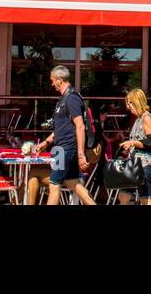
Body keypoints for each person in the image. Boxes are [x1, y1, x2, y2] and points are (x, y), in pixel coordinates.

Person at [37, 65, 96, 205]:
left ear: (59, 80)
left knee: (54, 184)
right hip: (63, 147)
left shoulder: (71, 98)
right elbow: (61, 128)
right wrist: (46, 142)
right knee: (72, 183)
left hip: (66, 149)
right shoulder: (62, 100)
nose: (52, 84)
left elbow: (80, 126)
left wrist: (81, 155)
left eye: (52, 80)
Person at [115, 88, 151, 205]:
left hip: (145, 164)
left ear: (137, 101)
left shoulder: (147, 118)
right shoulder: (138, 119)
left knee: (145, 197)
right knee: (123, 196)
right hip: (134, 163)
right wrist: (129, 147)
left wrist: (132, 143)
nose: (128, 106)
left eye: (130, 103)